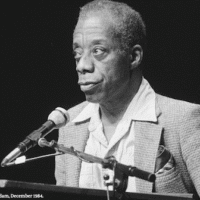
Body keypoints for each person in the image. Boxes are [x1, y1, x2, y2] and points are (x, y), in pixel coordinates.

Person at [55, 0, 200, 196]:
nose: (81, 65)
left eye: (98, 51)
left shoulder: (183, 120)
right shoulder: (69, 125)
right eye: (77, 53)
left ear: (133, 57)